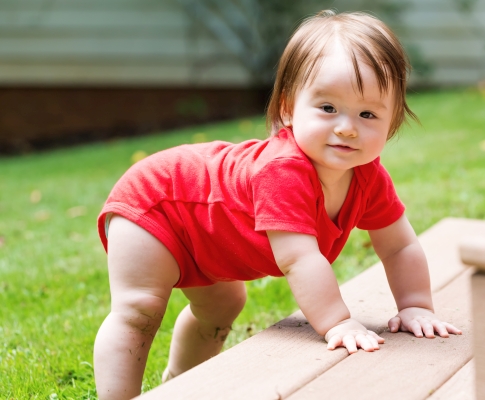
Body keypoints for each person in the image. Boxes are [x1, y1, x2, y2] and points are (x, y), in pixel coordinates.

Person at [93, 10, 462, 399]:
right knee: (140, 310)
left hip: (207, 235)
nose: (347, 127)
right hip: (160, 203)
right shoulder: (283, 171)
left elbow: (399, 244)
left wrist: (415, 305)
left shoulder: (367, 175)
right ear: (288, 108)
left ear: (392, 122)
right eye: (327, 108)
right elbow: (298, 259)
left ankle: (182, 384)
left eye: (368, 113)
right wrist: (337, 322)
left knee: (222, 307)